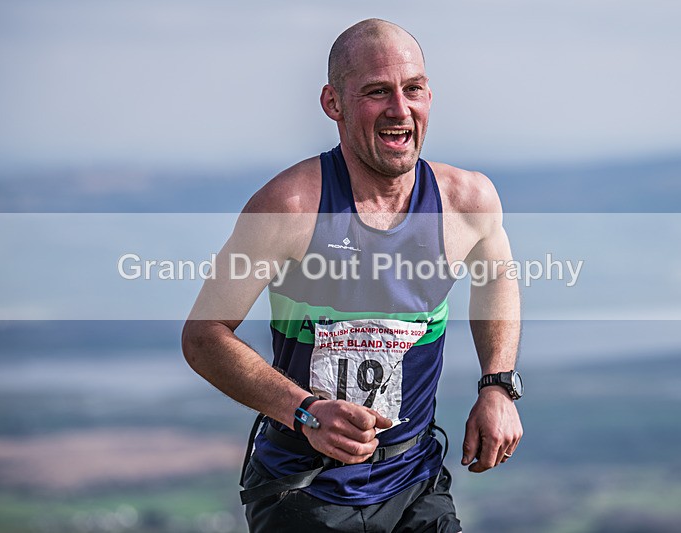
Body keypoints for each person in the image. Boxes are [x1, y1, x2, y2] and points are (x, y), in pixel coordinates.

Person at [182, 18, 523, 532]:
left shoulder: (467, 201)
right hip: (305, 489)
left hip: (415, 478)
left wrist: (497, 385)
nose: (400, 109)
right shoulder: (289, 207)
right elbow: (204, 336)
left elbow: (497, 279)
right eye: (377, 92)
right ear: (332, 103)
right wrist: (306, 411)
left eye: (413, 90)